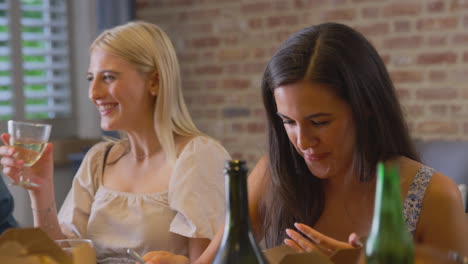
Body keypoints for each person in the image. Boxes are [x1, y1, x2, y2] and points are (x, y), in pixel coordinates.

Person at [140, 22, 468, 264]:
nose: (303, 141)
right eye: (288, 122)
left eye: (320, 122)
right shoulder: (273, 174)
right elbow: (213, 261)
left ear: (365, 108)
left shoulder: (432, 195)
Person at [0, 21, 230, 263]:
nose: (93, 93)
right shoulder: (99, 159)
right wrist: (41, 188)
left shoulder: (197, 156)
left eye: (108, 77)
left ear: (155, 81)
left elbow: (209, 261)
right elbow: (60, 259)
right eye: (91, 78)